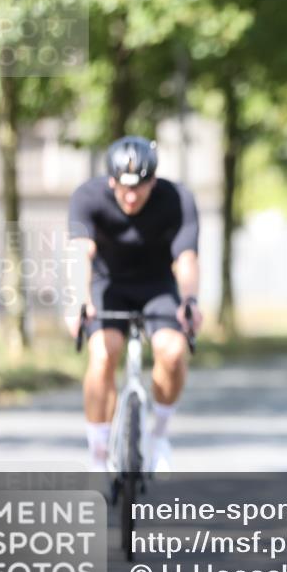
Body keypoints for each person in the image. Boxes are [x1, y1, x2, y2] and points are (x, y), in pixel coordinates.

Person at [68, 136, 201, 473]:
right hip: (107, 285)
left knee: (171, 353)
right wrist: (76, 302)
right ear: (110, 180)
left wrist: (189, 301)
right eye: (123, 187)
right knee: (102, 354)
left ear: (153, 180)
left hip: (157, 284)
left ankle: (158, 435)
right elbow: (78, 252)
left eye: (140, 188)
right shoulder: (88, 196)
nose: (130, 196)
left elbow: (186, 257)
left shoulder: (177, 198)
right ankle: (98, 452)